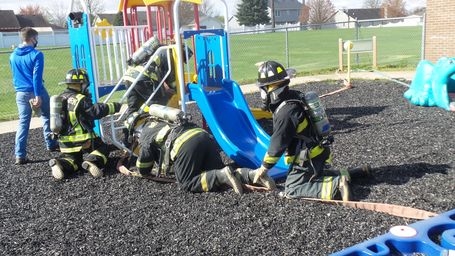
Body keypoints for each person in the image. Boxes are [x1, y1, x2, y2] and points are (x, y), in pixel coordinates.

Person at [251, 61, 371, 201]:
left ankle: (336, 186)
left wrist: (264, 168)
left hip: (307, 158)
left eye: (263, 89)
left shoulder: (285, 112)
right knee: (316, 176)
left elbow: (277, 144)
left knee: (293, 188)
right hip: (318, 151)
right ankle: (351, 174)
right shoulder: (294, 96)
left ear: (270, 90)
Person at [119, 105, 276, 194]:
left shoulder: (145, 132)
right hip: (203, 136)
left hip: (185, 145)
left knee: (187, 182)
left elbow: (145, 161)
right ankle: (252, 174)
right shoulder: (158, 120)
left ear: (134, 128)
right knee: (213, 171)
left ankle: (222, 176)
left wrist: (140, 170)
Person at [48, 68, 122, 180]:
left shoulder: (60, 98)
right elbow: (95, 112)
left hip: (64, 142)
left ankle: (59, 163)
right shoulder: (80, 99)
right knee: (104, 148)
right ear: (81, 84)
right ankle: (92, 161)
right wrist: (113, 107)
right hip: (84, 139)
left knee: (73, 161)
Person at [9, 27, 59, 165]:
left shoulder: (12, 55)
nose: (37, 41)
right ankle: (51, 143)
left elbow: (14, 76)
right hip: (36, 90)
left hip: (20, 93)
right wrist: (37, 95)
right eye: (36, 38)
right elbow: (36, 77)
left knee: (23, 123)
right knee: (47, 116)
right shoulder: (37, 55)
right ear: (32, 38)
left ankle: (20, 155)